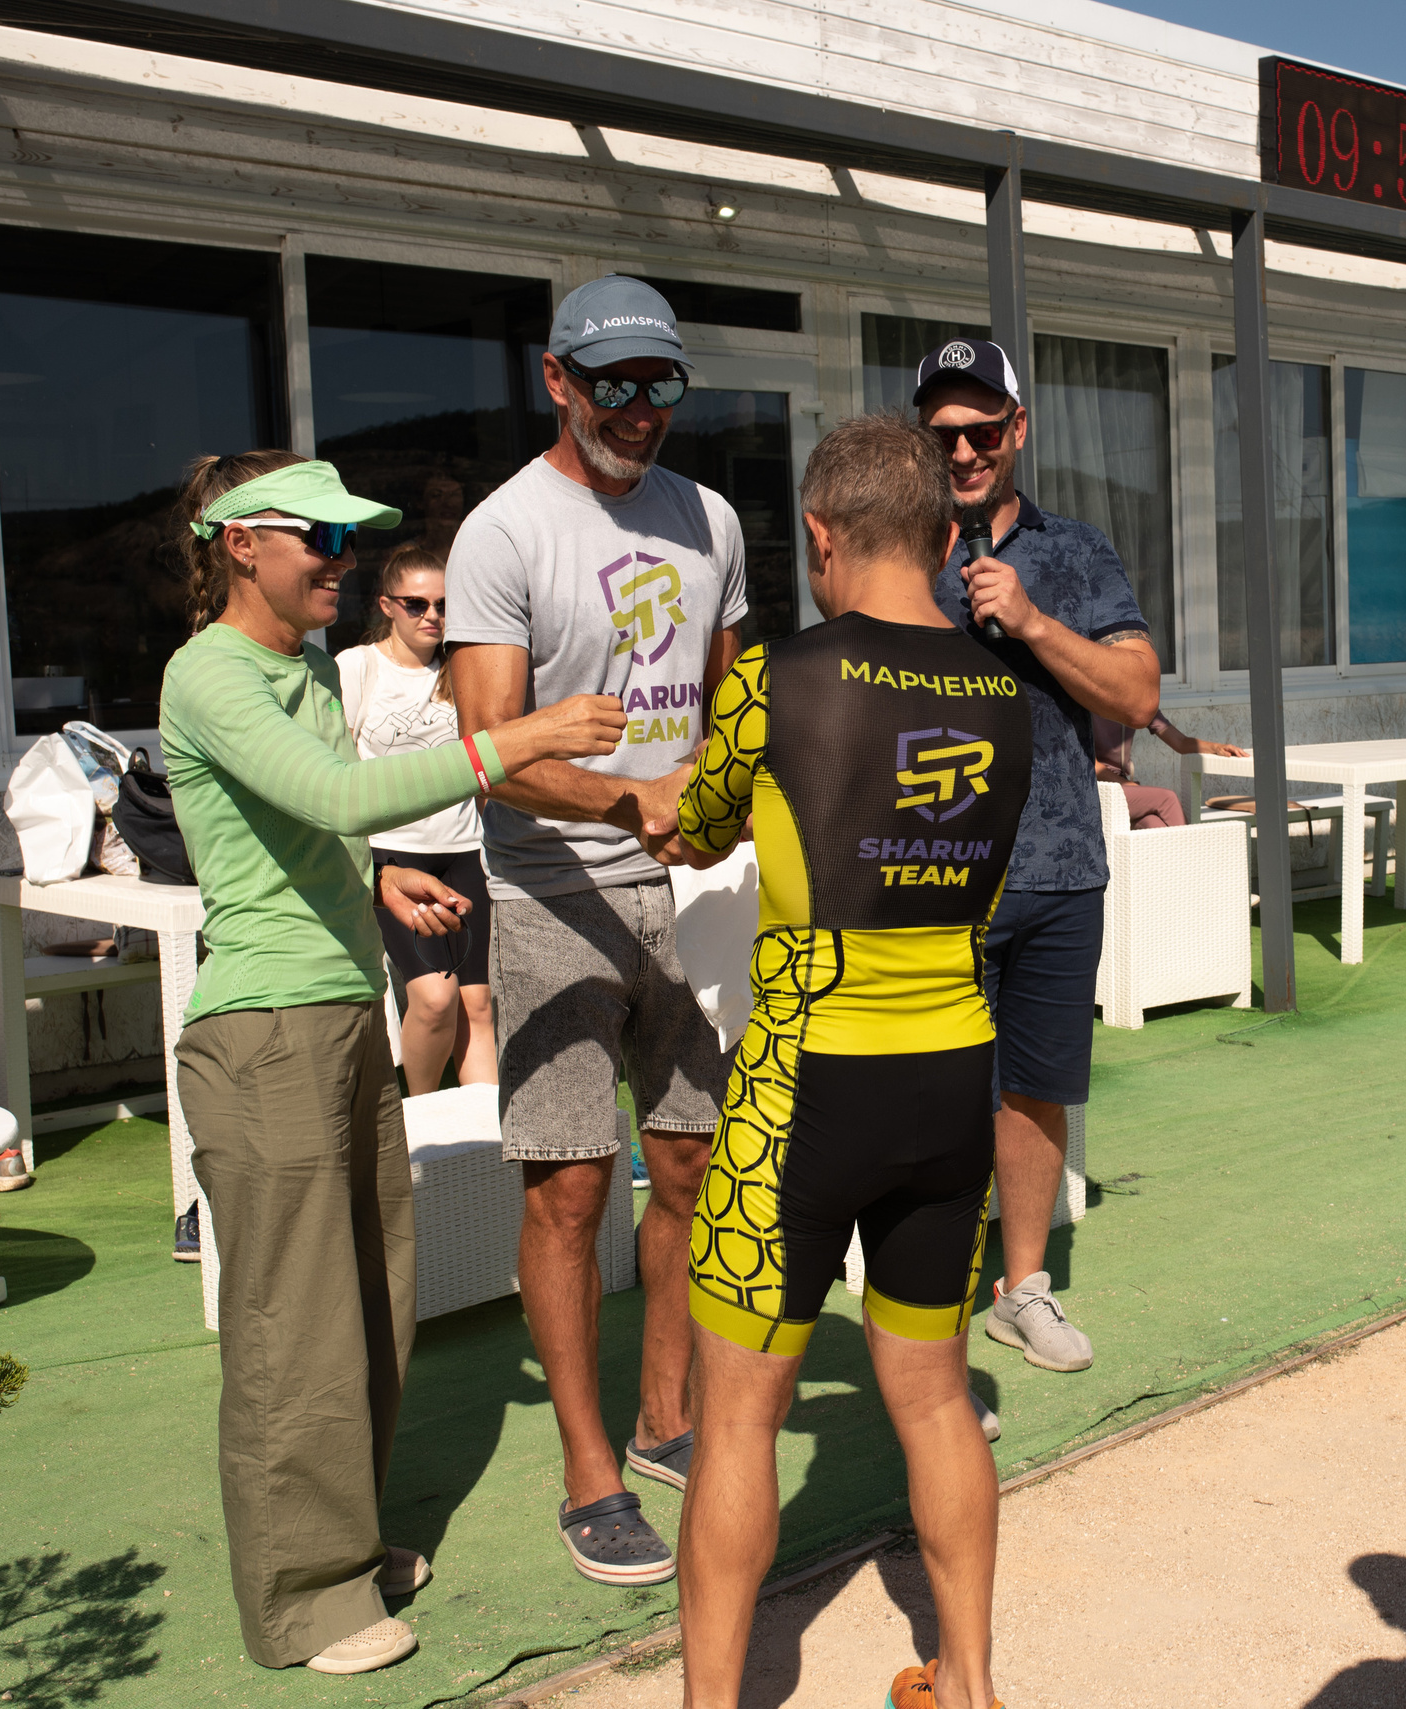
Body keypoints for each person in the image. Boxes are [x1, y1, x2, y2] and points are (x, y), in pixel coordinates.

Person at [160, 451, 623, 1674]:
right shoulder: (206, 673)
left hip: (335, 1010)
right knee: (292, 1325)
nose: (341, 557)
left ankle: (347, 1540)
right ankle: (304, 1597)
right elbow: (324, 784)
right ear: (241, 541)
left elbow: (308, 816)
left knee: (371, 1300)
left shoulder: (304, 662)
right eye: (318, 534)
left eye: (348, 535)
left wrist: (374, 867)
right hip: (260, 1029)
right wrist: (509, 739)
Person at [658, 413, 1029, 1709]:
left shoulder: (776, 677)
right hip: (949, 1076)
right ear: (941, 533)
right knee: (934, 1399)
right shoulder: (1002, 688)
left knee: (741, 1417)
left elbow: (696, 829)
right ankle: (969, 1682)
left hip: (804, 1085)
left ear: (819, 536)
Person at [446, 275, 746, 1584]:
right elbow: (490, 751)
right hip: (548, 889)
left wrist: (730, 801)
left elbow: (732, 692)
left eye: (659, 382)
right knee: (571, 1185)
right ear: (557, 380)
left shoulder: (710, 516)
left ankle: (667, 1420)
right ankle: (588, 1474)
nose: (638, 408)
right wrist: (636, 795)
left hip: (682, 887)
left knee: (686, 1161)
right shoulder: (503, 533)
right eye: (611, 381)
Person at [920, 337, 1159, 1375]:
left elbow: (1135, 691)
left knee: (1035, 1088)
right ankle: (925, 1307)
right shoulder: (896, 551)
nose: (965, 451)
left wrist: (1028, 618)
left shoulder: (1077, 550)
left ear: (1017, 429)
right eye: (945, 435)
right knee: (931, 1092)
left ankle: (1022, 1289)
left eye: (982, 430)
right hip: (931, 867)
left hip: (1058, 860)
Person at [338, 540, 495, 1094]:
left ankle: (484, 1147)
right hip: (391, 859)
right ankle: (420, 1126)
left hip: (462, 853)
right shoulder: (357, 668)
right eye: (416, 604)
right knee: (433, 997)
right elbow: (334, 769)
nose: (432, 615)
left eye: (444, 605)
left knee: (477, 1004)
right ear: (386, 606)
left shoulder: (466, 667)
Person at [1091, 710, 1244, 830]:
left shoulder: (1139, 702)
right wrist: (1127, 785)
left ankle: (1176, 867)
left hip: (1123, 790)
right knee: (1166, 799)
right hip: (1093, 788)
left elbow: (1181, 742)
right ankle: (1193, 862)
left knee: (1154, 825)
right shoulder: (1087, 700)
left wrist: (1216, 747)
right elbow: (1092, 765)